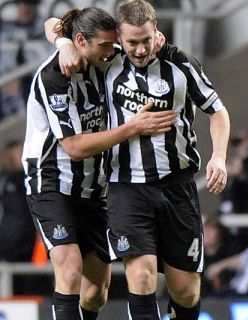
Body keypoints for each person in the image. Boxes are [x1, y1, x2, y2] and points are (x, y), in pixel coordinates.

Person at [53, 1, 230, 318]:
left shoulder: (180, 64)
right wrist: (63, 42)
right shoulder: (107, 63)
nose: (139, 48)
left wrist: (219, 156)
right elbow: (54, 23)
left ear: (156, 32)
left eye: (146, 40)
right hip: (127, 187)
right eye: (132, 42)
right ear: (119, 38)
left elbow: (217, 111)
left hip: (178, 187)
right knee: (143, 275)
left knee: (186, 291)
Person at [23, 7, 176, 320]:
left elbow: (54, 23)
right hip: (52, 180)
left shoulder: (110, 57)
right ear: (81, 41)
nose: (112, 52)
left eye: (113, 45)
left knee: (96, 293)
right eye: (104, 46)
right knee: (69, 269)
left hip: (96, 186)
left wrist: (157, 40)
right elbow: (75, 148)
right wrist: (133, 127)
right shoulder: (54, 77)